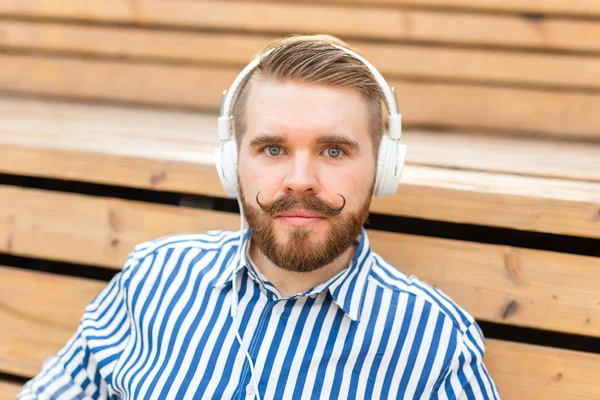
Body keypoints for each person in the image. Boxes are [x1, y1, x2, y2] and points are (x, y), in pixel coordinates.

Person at [18, 34, 499, 399]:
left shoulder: (435, 343)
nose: (300, 179)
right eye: (273, 148)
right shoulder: (155, 277)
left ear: (383, 169)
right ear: (232, 166)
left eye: (334, 150)